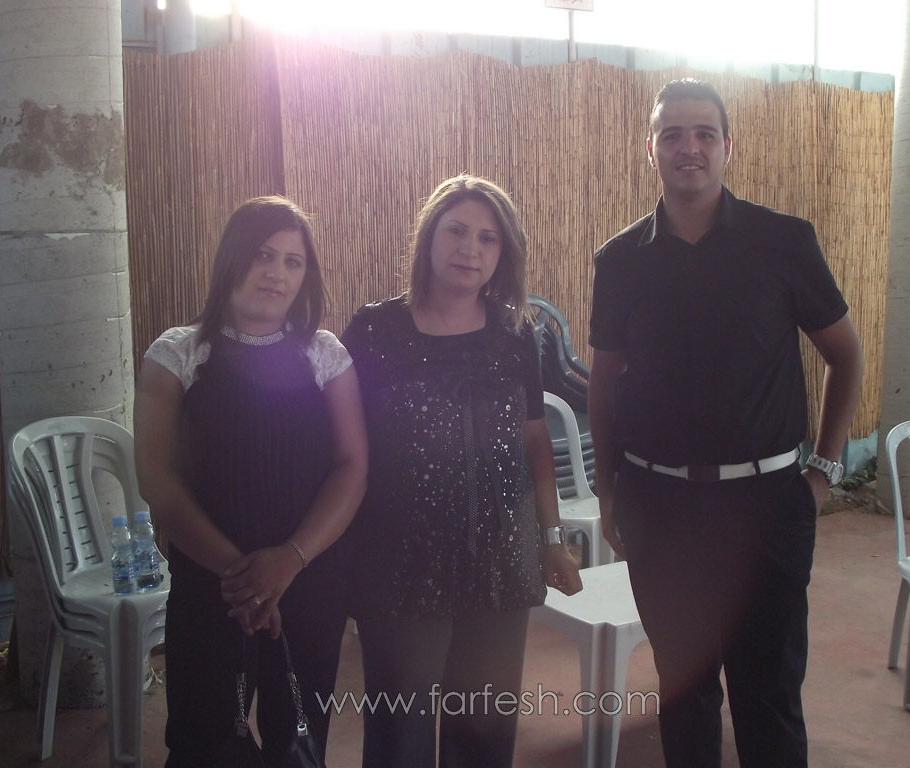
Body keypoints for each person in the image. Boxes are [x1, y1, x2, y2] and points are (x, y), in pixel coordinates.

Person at [588, 79, 863, 768]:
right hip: (660, 507)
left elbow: (846, 356)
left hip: (767, 506)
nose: (690, 147)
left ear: (727, 147)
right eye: (673, 134)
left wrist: (822, 474)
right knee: (684, 698)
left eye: (704, 133)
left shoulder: (784, 242)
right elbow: (604, 381)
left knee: (768, 699)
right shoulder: (620, 260)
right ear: (650, 149)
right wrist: (609, 491)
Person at [341, 174, 583, 768]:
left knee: (485, 729)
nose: (469, 249)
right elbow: (345, 448)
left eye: (487, 238)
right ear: (428, 237)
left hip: (499, 554)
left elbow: (534, 439)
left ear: (503, 254)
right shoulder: (375, 330)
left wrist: (551, 538)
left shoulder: (516, 334)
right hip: (402, 558)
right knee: (400, 729)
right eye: (455, 231)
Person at [134, 196, 368, 767]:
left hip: (308, 581)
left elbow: (352, 466)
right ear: (233, 258)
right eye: (263, 254)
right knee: (205, 740)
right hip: (211, 585)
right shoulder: (178, 355)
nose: (277, 273)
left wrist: (288, 561)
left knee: (298, 739)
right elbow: (157, 478)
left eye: (293, 261)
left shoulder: (324, 355)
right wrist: (242, 578)